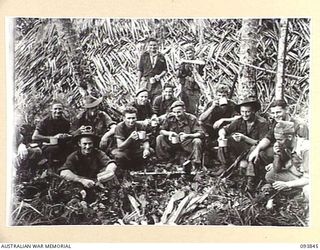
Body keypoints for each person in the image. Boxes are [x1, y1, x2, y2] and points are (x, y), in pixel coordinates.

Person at [217, 97, 268, 182]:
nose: (245, 114)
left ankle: (250, 176)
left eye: (247, 112)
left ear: (253, 111)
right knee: (225, 140)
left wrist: (244, 138)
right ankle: (225, 166)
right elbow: (224, 129)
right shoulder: (239, 120)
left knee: (245, 166)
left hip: (255, 151)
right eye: (242, 112)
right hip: (241, 150)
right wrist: (222, 135)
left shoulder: (262, 123)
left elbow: (262, 142)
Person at [248, 99, 309, 166]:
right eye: (273, 113)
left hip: (295, 157)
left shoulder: (299, 125)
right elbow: (268, 137)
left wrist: (279, 164)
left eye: (278, 112)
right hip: (282, 151)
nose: (275, 115)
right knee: (259, 151)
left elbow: (302, 152)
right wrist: (257, 150)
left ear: (287, 110)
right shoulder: (277, 121)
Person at [264, 121, 309, 201]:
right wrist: (277, 154)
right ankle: (297, 191)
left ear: (289, 137)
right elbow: (277, 169)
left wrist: (287, 184)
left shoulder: (306, 149)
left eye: (280, 140)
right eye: (276, 139)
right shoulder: (286, 144)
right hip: (298, 175)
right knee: (270, 175)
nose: (277, 143)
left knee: (308, 191)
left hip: (310, 178)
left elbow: (310, 178)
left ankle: (299, 194)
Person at [156, 100, 204, 170]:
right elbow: (161, 131)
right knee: (159, 138)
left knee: (197, 141)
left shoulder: (192, 119)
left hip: (187, 143)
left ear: (184, 110)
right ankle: (164, 162)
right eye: (174, 112)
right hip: (173, 143)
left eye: (179, 112)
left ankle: (196, 164)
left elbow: (200, 133)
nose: (177, 115)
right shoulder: (170, 118)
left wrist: (188, 135)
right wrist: (169, 133)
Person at [32, 101, 72, 169]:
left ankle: (67, 168)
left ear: (63, 110)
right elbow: (34, 137)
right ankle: (49, 169)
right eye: (55, 109)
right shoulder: (44, 121)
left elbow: (67, 134)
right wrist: (53, 138)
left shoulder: (65, 122)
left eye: (60, 109)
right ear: (51, 110)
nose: (57, 111)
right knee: (53, 149)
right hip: (45, 145)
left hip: (61, 144)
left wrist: (67, 136)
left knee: (71, 146)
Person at [111, 106, 152, 171]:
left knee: (150, 151)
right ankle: (123, 171)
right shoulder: (120, 127)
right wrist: (130, 138)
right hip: (122, 150)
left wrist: (146, 149)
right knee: (119, 156)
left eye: (133, 118)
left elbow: (145, 140)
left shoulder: (139, 125)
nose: (131, 120)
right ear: (124, 118)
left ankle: (138, 167)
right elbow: (120, 147)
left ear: (136, 118)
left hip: (135, 149)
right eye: (129, 118)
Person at [177, 44, 205, 115]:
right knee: (185, 106)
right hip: (186, 87)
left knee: (193, 107)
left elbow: (202, 63)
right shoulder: (183, 63)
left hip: (195, 88)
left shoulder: (197, 62)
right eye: (187, 53)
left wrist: (187, 61)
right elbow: (179, 75)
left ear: (194, 53)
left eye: (190, 53)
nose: (189, 55)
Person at [137, 37, 167, 102]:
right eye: (151, 45)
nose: (153, 47)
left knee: (156, 99)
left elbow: (165, 70)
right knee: (145, 99)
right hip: (146, 82)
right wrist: (138, 83)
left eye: (154, 45)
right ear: (148, 45)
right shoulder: (144, 56)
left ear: (157, 45)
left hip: (157, 83)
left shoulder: (161, 56)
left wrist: (159, 76)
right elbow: (140, 69)